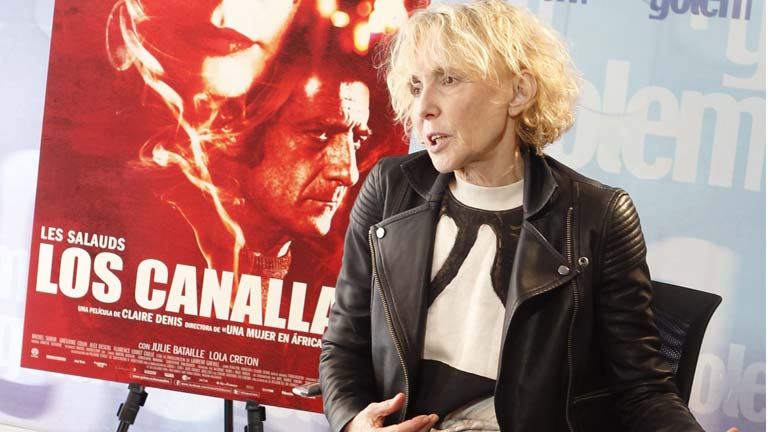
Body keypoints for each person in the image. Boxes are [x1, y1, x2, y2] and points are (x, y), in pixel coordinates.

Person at [319, 1, 706, 431]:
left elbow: (642, 388)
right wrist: (354, 423)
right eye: (414, 86)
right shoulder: (390, 187)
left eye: (448, 80)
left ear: (518, 92)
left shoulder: (597, 215)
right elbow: (343, 346)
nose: (423, 107)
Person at [105, 0, 378, 279]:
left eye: (356, 140)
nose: (348, 173)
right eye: (319, 134)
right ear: (237, 128)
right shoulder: (146, 232)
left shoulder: (345, 281)